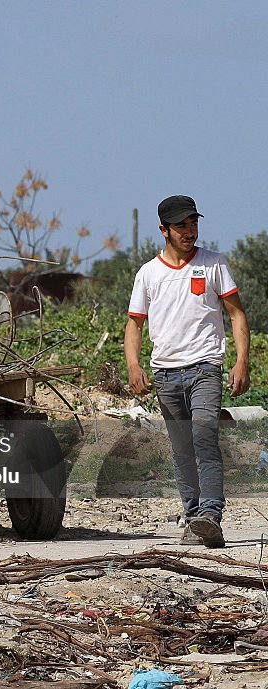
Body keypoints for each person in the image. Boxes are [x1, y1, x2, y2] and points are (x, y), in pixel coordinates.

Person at [124, 195, 250, 549]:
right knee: (181, 449)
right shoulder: (148, 274)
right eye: (181, 225)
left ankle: (211, 513)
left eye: (194, 223)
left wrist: (242, 361)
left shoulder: (214, 264)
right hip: (165, 374)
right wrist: (134, 366)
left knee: (205, 435)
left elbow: (236, 314)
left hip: (206, 367)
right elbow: (134, 325)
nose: (190, 231)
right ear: (164, 230)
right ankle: (194, 518)